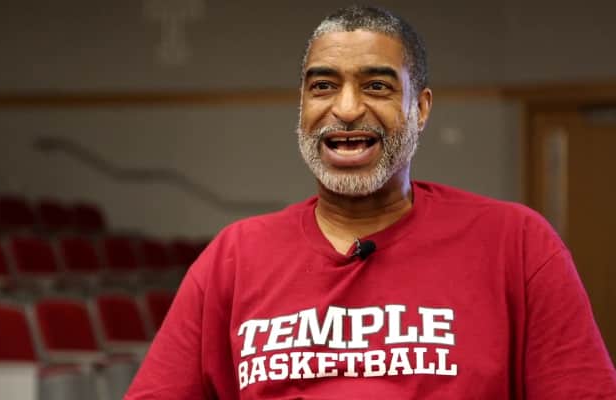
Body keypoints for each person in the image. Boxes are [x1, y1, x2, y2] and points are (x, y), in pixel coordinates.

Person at [124, 5, 616, 399]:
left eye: (377, 86)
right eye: (323, 86)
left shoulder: (517, 244)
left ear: (419, 108)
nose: (345, 109)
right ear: (303, 106)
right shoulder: (234, 257)